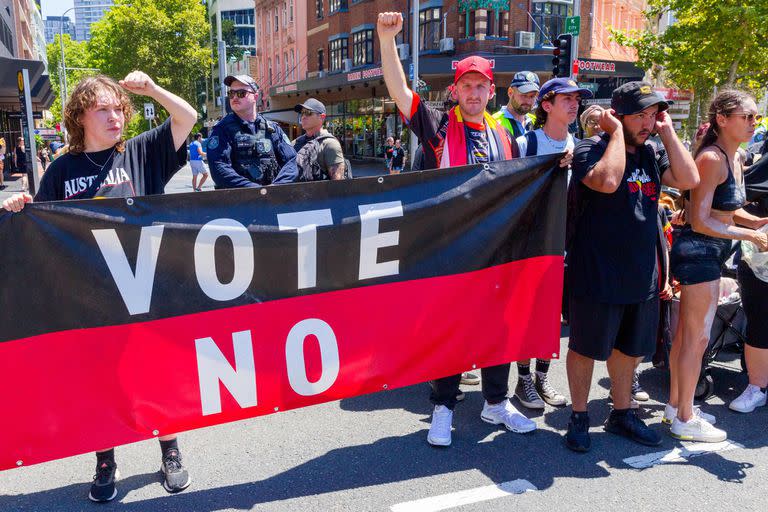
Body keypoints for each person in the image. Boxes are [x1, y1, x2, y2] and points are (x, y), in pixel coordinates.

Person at [1, 71, 197, 501]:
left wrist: (150, 90)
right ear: (79, 117)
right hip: (89, 301)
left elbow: (188, 117)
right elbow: (41, 224)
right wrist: (19, 205)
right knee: (100, 385)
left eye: (118, 108)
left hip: (145, 291)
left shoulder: (143, 151)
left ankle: (170, 449)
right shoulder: (61, 171)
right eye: (102, 109)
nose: (115, 117)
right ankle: (105, 460)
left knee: (155, 378)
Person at [378, 11, 531, 448]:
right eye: (467, 85)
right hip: (448, 252)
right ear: (455, 90)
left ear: (491, 89)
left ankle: (496, 402)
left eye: (482, 85)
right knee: (451, 332)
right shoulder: (438, 125)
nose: (475, 91)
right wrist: (388, 40)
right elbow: (398, 90)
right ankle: (443, 408)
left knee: (499, 328)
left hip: (496, 251)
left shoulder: (506, 135)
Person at [564, 81, 699, 452]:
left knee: (629, 348)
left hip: (641, 271)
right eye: (640, 114)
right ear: (617, 115)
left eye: (653, 114)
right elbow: (607, 182)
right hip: (596, 270)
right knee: (586, 345)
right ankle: (578, 416)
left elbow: (689, 179)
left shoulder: (655, 151)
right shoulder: (591, 148)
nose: (648, 121)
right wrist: (615, 135)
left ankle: (621, 412)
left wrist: (668, 131)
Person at [668, 90, 768, 440]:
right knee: (696, 338)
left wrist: (755, 222)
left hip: (710, 251)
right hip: (698, 251)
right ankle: (683, 417)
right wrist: (751, 236)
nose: (753, 122)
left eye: (755, 116)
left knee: (687, 336)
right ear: (722, 120)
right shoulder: (712, 157)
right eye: (747, 116)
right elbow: (699, 219)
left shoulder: (736, 156)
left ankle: (675, 406)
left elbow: (726, 207)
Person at [512, 77, 591, 411]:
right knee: (526, 315)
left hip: (567, 246)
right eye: (566, 100)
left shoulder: (583, 146)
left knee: (552, 318)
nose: (574, 105)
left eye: (577, 100)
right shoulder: (525, 143)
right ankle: (523, 380)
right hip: (530, 247)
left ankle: (542, 377)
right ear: (546, 106)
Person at [208, 74, 297, 188]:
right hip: (237, 202)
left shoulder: (272, 129)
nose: (235, 97)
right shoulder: (222, 130)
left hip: (271, 200)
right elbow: (219, 168)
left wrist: (276, 187)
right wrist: (254, 190)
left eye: (241, 93)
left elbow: (291, 162)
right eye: (231, 93)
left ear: (255, 97)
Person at [293, 98, 347, 181]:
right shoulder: (295, 143)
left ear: (322, 117)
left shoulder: (329, 144)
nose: (303, 117)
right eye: (302, 113)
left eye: (308, 113)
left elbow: (338, 184)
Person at [493, 71, 539, 139]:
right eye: (524, 95)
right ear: (510, 92)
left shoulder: (536, 122)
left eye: (532, 96)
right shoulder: (494, 122)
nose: (528, 101)